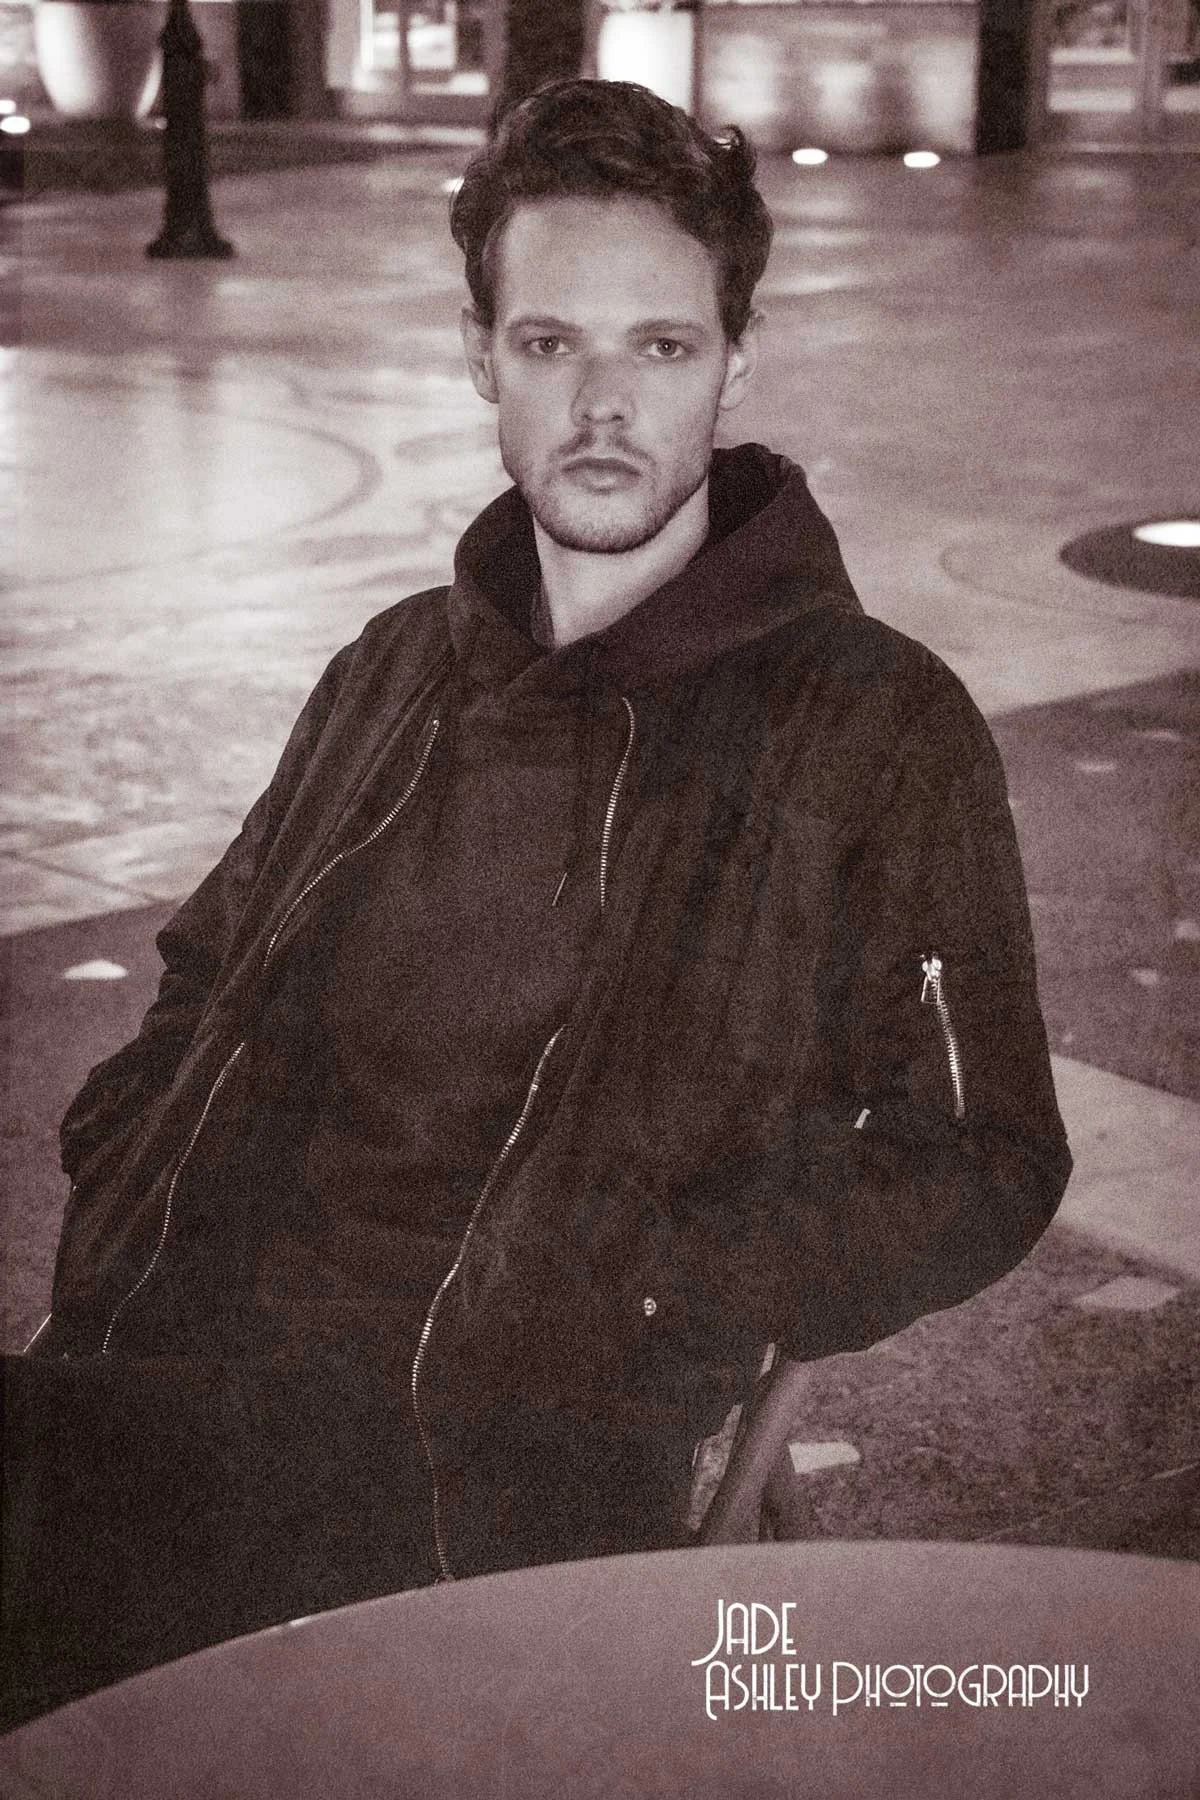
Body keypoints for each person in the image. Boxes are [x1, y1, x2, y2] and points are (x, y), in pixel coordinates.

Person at [2, 78, 1071, 1725]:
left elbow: (988, 1154)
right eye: (551, 343)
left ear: (737, 363)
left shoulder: (869, 729)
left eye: (660, 348)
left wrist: (656, 1282)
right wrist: (132, 1141)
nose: (603, 405)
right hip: (156, 1364)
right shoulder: (399, 668)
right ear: (479, 356)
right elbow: (209, 962)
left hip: (472, 1463)